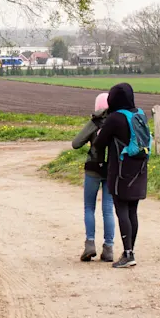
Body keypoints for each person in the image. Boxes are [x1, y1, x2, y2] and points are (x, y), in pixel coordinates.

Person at [92, 83, 149, 268]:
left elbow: (99, 144)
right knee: (133, 211)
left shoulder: (115, 118)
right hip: (139, 169)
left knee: (122, 210)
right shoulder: (140, 114)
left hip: (120, 171)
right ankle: (130, 250)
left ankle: (128, 254)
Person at [71, 92, 115, 263]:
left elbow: (76, 143)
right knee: (108, 209)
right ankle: (109, 248)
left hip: (93, 169)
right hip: (110, 170)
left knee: (89, 207)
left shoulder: (94, 123)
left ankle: (90, 244)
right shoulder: (116, 122)